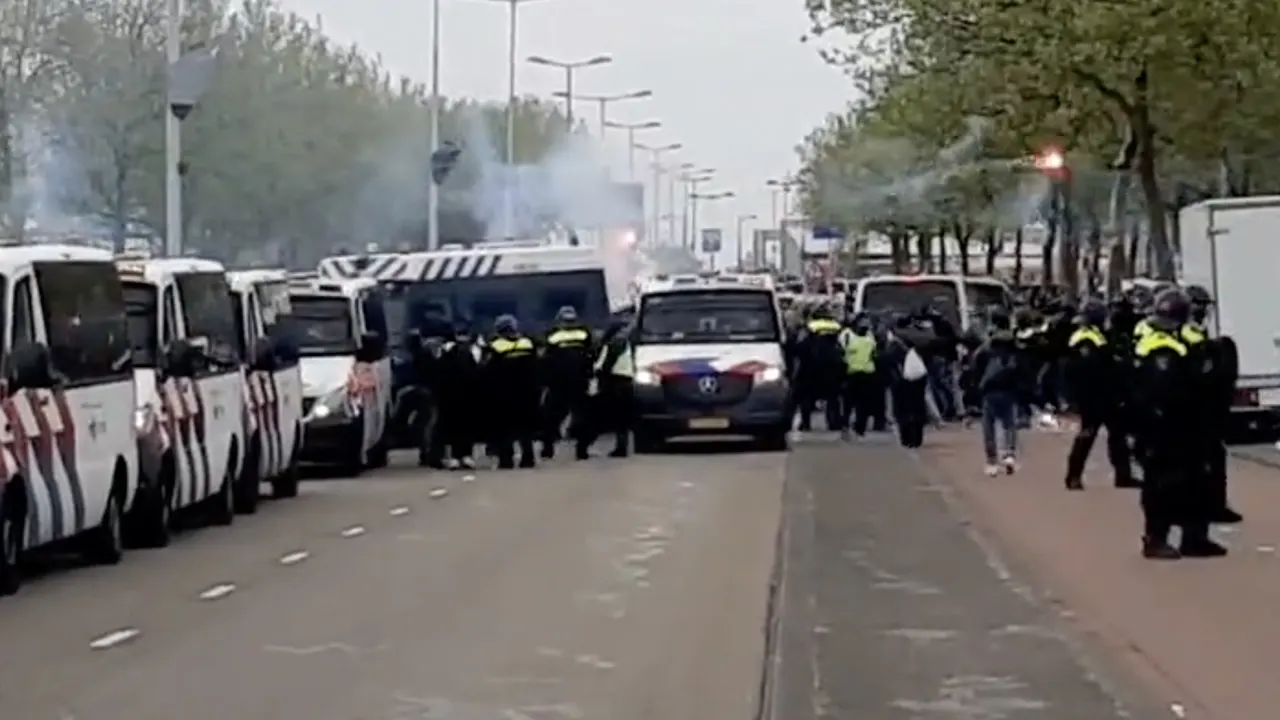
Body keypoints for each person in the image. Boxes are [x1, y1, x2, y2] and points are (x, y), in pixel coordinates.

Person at [1131, 289, 1198, 559]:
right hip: (1161, 429)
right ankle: (1156, 538)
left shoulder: (1148, 341)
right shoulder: (1164, 349)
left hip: (1155, 427)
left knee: (1165, 483)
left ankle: (1163, 536)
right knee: (1161, 485)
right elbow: (1166, 392)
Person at [1063, 298, 1136, 489]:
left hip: (1107, 394)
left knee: (1118, 435)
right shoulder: (1085, 338)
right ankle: (1073, 476)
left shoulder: (1101, 335)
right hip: (1092, 396)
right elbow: (1088, 368)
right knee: (1087, 435)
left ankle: (1123, 476)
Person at [1185, 284, 1242, 525]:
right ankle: (1206, 509)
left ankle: (1215, 505)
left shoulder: (1196, 332)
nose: (1202, 311)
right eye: (1199, 305)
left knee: (1213, 457)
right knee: (1201, 461)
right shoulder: (1188, 335)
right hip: (1195, 409)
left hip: (1207, 408)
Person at [967, 309, 1021, 475]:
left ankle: (992, 461)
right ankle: (1009, 454)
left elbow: (976, 363)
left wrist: (975, 384)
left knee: (989, 425)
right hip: (1009, 388)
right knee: (1009, 424)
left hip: (990, 388)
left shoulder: (988, 344)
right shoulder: (1014, 343)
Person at [485, 314, 540, 469]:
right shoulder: (527, 344)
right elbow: (537, 367)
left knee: (504, 429)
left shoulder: (495, 346)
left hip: (504, 395)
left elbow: (488, 372)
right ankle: (528, 458)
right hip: (527, 393)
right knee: (525, 429)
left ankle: (506, 460)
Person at [540, 306, 594, 459]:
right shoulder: (584, 334)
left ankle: (548, 448)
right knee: (582, 416)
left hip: (559, 383)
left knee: (551, 417)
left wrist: (545, 381)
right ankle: (582, 450)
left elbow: (546, 360)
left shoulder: (552, 336)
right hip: (579, 382)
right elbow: (591, 356)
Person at [583, 317, 635, 457]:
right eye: (623, 329)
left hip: (615, 382)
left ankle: (584, 445)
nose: (625, 332)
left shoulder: (614, 344)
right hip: (623, 382)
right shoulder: (623, 344)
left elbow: (602, 366)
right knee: (621, 419)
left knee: (602, 417)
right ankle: (621, 448)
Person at [436, 320, 483, 469]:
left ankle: (460, 456)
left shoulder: (447, 352)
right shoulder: (469, 351)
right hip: (462, 396)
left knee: (455, 427)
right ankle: (463, 455)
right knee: (462, 427)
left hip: (454, 396)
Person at [794, 307, 845, 431]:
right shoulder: (836, 327)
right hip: (832, 368)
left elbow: (800, 346)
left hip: (811, 368)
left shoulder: (810, 327)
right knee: (833, 398)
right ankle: (834, 423)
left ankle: (805, 423)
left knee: (805, 397)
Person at [884, 315, 930, 448]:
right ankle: (917, 438)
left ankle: (907, 438)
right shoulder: (920, 336)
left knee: (903, 409)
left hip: (901, 379)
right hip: (920, 376)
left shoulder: (896, 340)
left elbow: (889, 358)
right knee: (918, 407)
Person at [838, 314, 878, 438]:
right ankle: (845, 426)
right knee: (848, 403)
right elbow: (840, 352)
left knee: (864, 403)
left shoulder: (870, 336)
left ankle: (860, 427)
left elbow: (874, 353)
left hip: (867, 373)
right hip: (850, 373)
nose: (865, 325)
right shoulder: (847, 335)